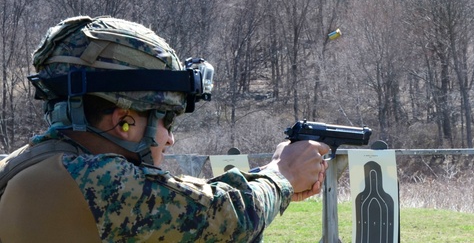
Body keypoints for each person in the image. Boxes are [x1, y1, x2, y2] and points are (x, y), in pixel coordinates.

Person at [0, 16, 329, 242]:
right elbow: (229, 219)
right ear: (124, 120)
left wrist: (267, 177)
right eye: (164, 119)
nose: (169, 138)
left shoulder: (24, 166)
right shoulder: (99, 180)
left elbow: (180, 199)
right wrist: (283, 173)